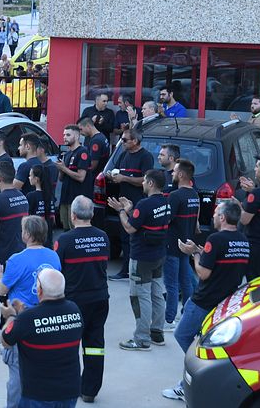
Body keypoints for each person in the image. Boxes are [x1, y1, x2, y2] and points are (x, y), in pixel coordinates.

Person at [162, 201, 249, 401]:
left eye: (217, 212)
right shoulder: (243, 240)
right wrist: (202, 253)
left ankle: (193, 379)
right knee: (207, 339)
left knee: (183, 335)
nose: (213, 216)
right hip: (226, 301)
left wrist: (194, 253)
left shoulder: (215, 239)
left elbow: (203, 273)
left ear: (223, 218)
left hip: (204, 300)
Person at [0, 215, 61, 405]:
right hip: (46, 319)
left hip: (22, 321)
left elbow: (2, 289)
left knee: (17, 375)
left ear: (28, 235)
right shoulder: (53, 256)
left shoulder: (17, 259)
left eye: (23, 229)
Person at [108, 169, 171, 351]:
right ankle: (156, 334)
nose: (142, 184)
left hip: (141, 258)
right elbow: (144, 220)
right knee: (157, 293)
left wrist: (121, 211)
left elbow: (130, 228)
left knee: (140, 296)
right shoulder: (165, 202)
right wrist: (131, 210)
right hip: (159, 256)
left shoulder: (144, 204)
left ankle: (142, 339)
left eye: (144, 181)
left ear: (151, 183)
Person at [1, 269, 83, 408]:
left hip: (38, 395)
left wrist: (11, 317)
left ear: (39, 290)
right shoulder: (74, 310)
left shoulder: (27, 319)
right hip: (69, 391)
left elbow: (5, 341)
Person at [55, 196, 110, 404]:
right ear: (92, 214)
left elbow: (56, 270)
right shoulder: (103, 237)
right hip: (99, 298)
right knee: (95, 345)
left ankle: (66, 386)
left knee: (67, 345)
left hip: (74, 302)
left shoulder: (65, 240)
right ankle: (89, 390)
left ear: (73, 215)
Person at [106, 128, 154, 280]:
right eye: (121, 139)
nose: (122, 142)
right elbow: (119, 172)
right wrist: (112, 177)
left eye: (125, 140)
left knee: (135, 237)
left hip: (137, 203)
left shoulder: (146, 157)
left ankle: (135, 270)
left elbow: (145, 181)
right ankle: (125, 269)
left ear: (135, 141)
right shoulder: (124, 154)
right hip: (122, 202)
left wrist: (124, 179)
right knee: (124, 237)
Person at [164, 159, 200, 330]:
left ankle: (169, 320)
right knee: (186, 282)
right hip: (186, 244)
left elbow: (167, 219)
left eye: (174, 171)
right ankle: (187, 316)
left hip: (172, 245)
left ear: (180, 174)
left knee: (171, 285)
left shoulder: (175, 196)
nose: (172, 174)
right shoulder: (193, 194)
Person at [56, 124, 91, 230]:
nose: (64, 137)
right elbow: (61, 179)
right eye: (64, 135)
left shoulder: (82, 152)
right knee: (66, 229)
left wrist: (64, 168)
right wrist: (61, 169)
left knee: (76, 229)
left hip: (77, 200)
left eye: (68, 135)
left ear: (76, 136)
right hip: (65, 198)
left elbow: (81, 177)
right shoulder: (66, 154)